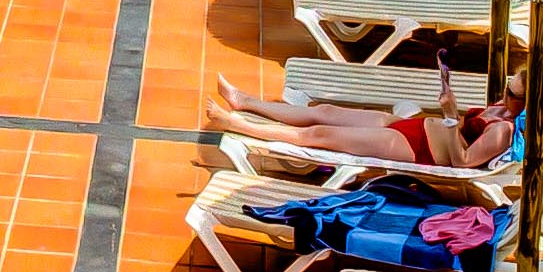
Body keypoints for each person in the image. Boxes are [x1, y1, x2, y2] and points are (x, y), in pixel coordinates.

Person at [212, 89, 516, 171]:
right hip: (412, 126)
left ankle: (238, 124)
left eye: (513, 94)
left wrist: (450, 116)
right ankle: (245, 102)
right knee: (325, 112)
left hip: (415, 148)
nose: (505, 95)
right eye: (507, 86)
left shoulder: (502, 132)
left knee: (319, 135)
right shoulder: (500, 109)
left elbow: (461, 160)